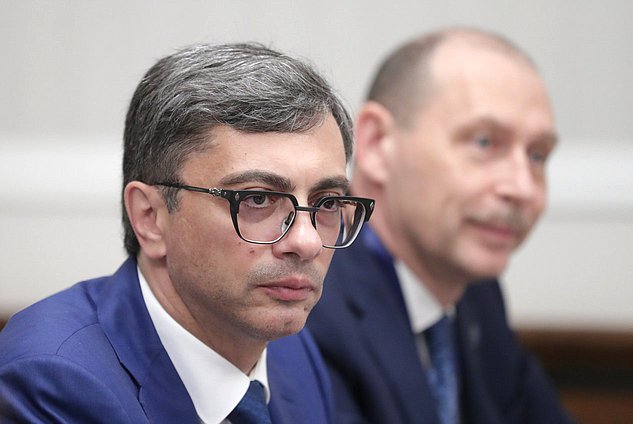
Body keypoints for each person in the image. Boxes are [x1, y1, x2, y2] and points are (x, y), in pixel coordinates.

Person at [0, 42, 375, 423]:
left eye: (327, 203)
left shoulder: (292, 354)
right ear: (150, 217)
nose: (307, 242)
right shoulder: (52, 382)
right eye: (258, 199)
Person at [307, 28, 576, 424]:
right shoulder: (308, 302)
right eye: (485, 143)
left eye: (537, 156)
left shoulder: (479, 297)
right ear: (378, 143)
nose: (522, 187)